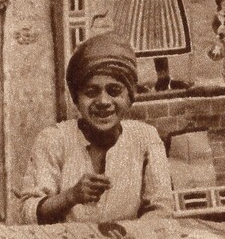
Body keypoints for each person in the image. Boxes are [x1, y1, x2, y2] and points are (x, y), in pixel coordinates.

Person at [18, 32, 173, 224]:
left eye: (114, 91)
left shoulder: (145, 138)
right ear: (76, 98)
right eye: (91, 92)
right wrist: (70, 197)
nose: (103, 102)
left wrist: (130, 238)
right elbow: (28, 213)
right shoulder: (54, 139)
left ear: (129, 96)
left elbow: (162, 210)